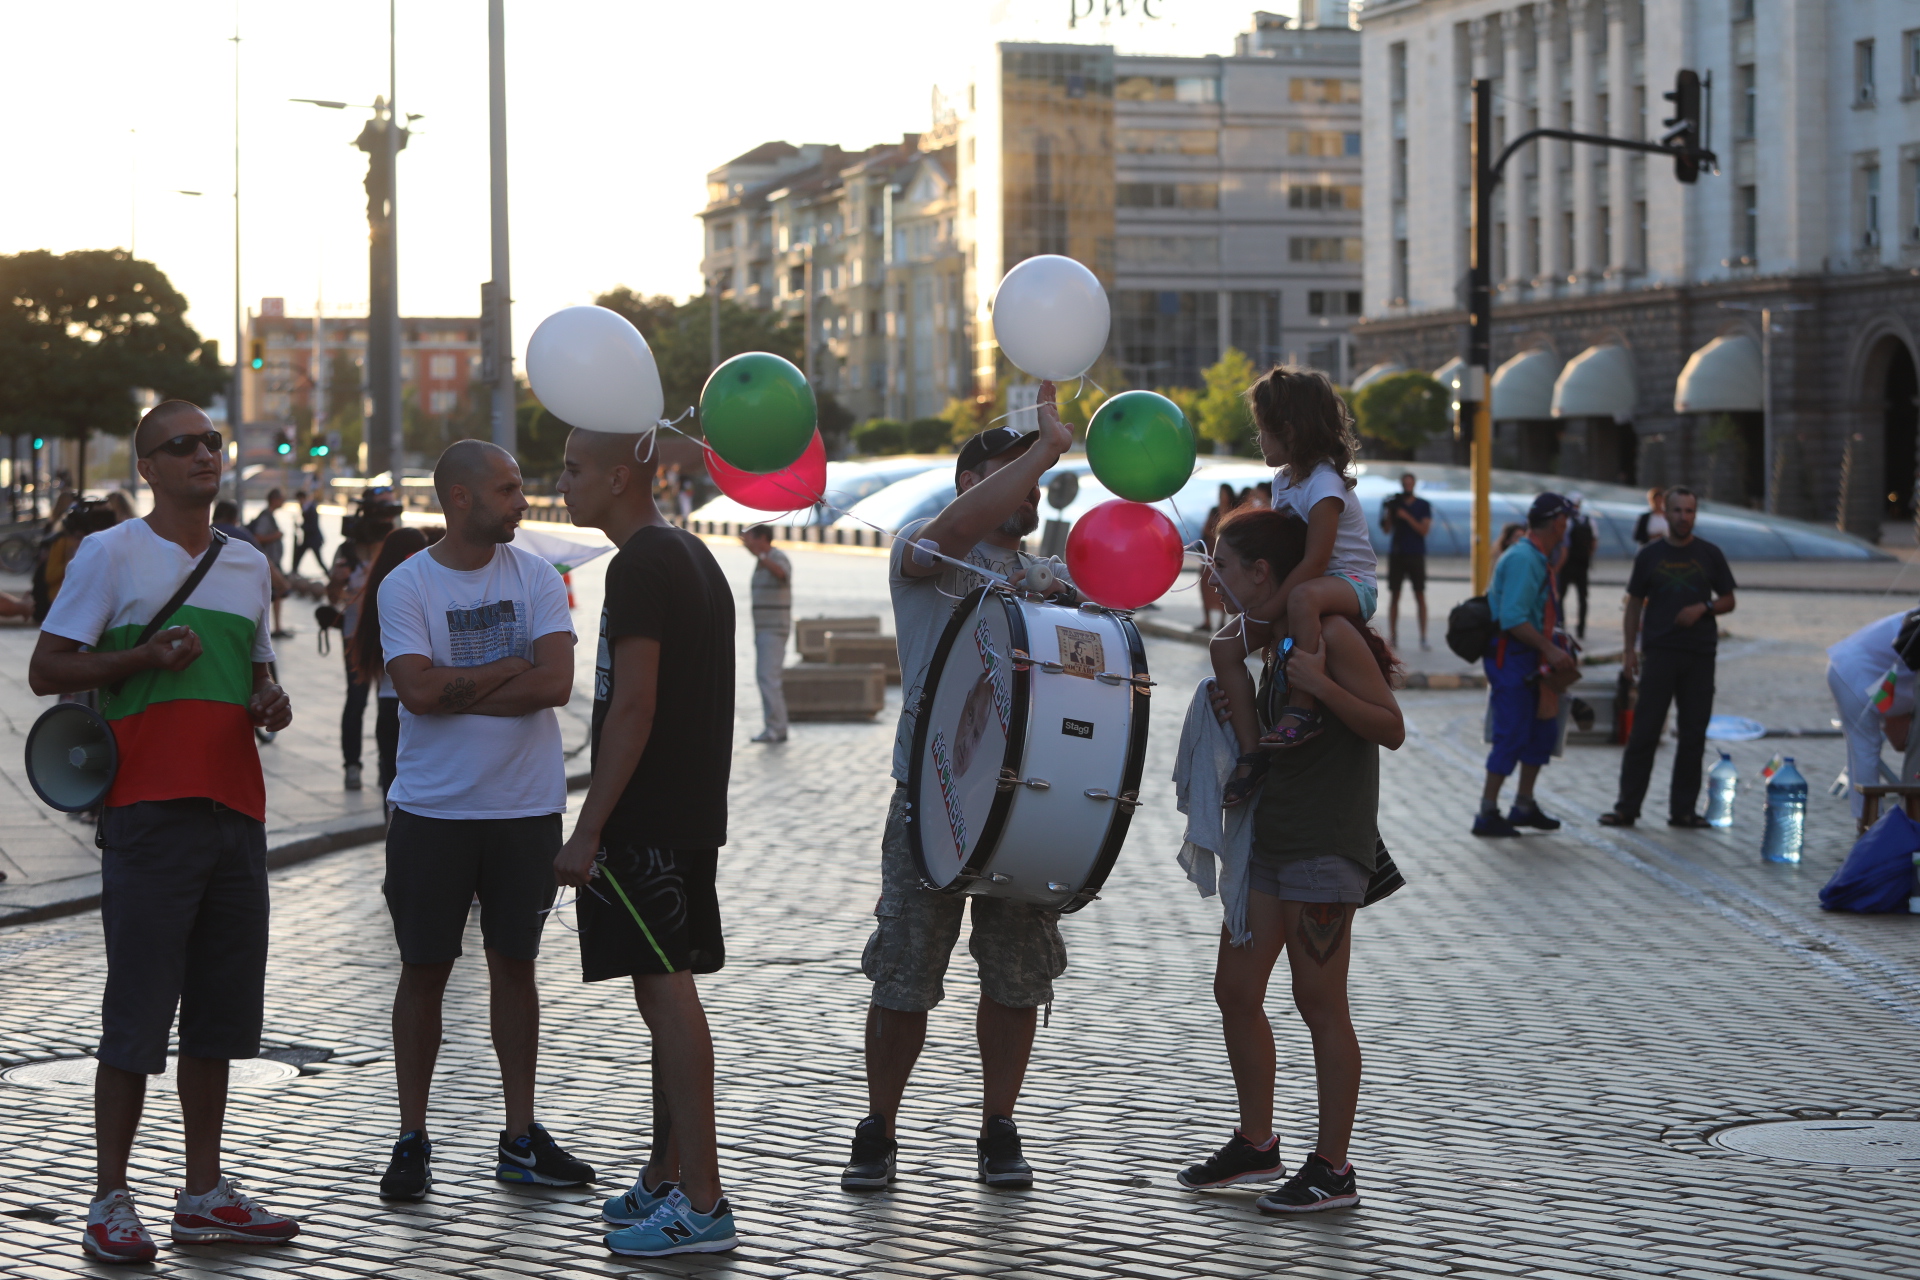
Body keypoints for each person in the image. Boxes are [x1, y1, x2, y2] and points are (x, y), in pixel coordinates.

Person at [29, 400, 297, 1263]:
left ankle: (202, 1193)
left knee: (221, 1019)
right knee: (137, 1018)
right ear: (148, 467)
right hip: (146, 811)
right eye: (180, 446)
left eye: (212, 442)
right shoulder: (110, 554)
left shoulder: (249, 564)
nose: (204, 455)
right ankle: (109, 1199)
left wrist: (271, 702)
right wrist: (143, 657)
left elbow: (259, 675)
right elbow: (47, 667)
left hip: (236, 811)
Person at [842, 387, 1075, 1193]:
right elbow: (952, 532)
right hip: (932, 798)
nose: (1034, 488)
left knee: (1017, 977)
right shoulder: (927, 545)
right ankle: (879, 1127)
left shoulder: (1049, 575)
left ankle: (999, 1127)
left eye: (1038, 476)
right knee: (905, 970)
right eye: (1014, 473)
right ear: (973, 479)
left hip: (1028, 804)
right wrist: (1042, 448)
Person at [374, 440, 590, 1201]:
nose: (521, 500)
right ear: (459, 499)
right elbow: (416, 693)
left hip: (524, 808)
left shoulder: (537, 576)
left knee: (516, 969)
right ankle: (411, 1137)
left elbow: (556, 684)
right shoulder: (406, 586)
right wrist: (508, 670)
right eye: (506, 489)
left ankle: (521, 1136)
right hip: (432, 811)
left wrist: (460, 682)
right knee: (424, 972)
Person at [1177, 508, 1401, 1213]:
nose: (1215, 578)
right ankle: (1257, 1141)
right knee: (1236, 990)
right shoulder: (1274, 642)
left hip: (1326, 845)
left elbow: (1389, 727)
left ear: (1263, 572)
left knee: (1319, 1003)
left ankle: (1334, 1169)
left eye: (1225, 564)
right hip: (1271, 840)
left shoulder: (1331, 633)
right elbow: (1282, 735)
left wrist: (1325, 685)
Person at [553, 427, 740, 1258]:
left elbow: (633, 707)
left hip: (648, 818)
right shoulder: (692, 555)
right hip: (685, 813)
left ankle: (704, 1201)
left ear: (620, 475)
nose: (561, 484)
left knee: (668, 1000)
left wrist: (587, 828)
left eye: (573, 468)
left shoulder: (639, 565)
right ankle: (668, 1174)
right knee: (660, 998)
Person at [1212, 367, 1376, 806]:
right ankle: (1251, 749)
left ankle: (1302, 708)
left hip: (1349, 582)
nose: (1259, 440)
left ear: (1288, 430)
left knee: (1302, 598)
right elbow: (1288, 552)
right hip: (1309, 584)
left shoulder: (1324, 485)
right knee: (1223, 647)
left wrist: (1270, 609)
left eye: (1263, 431)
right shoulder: (1284, 480)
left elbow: (1316, 561)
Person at [1599, 488, 1737, 827]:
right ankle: (1627, 807)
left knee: (1693, 734)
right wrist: (1629, 649)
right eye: (1677, 511)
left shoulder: (1710, 554)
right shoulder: (1649, 555)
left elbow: (1729, 599)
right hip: (1660, 653)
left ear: (1695, 514)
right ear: (1665, 513)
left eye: (1689, 511)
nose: (1683, 517)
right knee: (1644, 732)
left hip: (1700, 655)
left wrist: (1702, 608)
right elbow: (1633, 603)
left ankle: (1683, 810)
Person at [1474, 493, 1578, 837]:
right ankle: (1487, 812)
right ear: (1558, 522)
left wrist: (1553, 642)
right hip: (1514, 658)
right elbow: (1513, 618)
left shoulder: (1536, 556)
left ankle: (1524, 804)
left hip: (1529, 657)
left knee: (1542, 730)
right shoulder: (1524, 559)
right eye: (1567, 519)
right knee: (1512, 733)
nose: (1569, 525)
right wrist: (1549, 648)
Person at [352, 527, 430, 797]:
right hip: (418, 706)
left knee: (394, 793)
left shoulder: (379, 590)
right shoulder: (417, 589)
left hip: (388, 704)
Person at [327, 494, 397, 791]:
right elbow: (332, 597)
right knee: (356, 701)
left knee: (389, 702)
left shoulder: (392, 548)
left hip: (389, 637)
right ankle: (352, 765)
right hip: (354, 637)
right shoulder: (347, 550)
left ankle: (388, 765)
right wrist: (336, 581)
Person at [1826, 612, 1920, 819]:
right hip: (1854, 671)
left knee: (1865, 751)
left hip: (1855, 665)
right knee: (1864, 751)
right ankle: (1870, 829)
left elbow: (1901, 741)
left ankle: (1875, 827)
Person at [740, 524, 792, 744]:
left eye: (749, 538)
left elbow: (782, 573)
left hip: (774, 629)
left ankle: (776, 728)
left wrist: (762, 556)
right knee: (766, 678)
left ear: (762, 538)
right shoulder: (761, 562)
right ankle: (774, 726)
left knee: (768, 678)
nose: (746, 542)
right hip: (764, 629)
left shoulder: (776, 557)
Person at [1378, 471, 1432, 651]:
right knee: (1395, 595)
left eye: (1410, 484)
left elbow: (1424, 530)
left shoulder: (1423, 505)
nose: (1407, 487)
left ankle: (1423, 637)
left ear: (1414, 484)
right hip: (1397, 553)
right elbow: (1386, 529)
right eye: (1404, 484)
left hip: (1416, 553)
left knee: (1420, 594)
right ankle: (1393, 636)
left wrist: (1406, 516)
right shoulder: (1395, 505)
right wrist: (1388, 512)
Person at [247, 489, 290, 638]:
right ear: (274, 500)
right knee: (277, 591)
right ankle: (272, 628)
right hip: (269, 562)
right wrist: (276, 536)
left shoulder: (269, 516)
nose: (283, 501)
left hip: (272, 561)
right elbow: (257, 537)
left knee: (276, 593)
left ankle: (276, 626)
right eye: (281, 498)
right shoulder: (266, 517)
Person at [1200, 483, 1237, 632]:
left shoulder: (1233, 511)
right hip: (1210, 551)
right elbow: (1206, 528)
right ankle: (1207, 620)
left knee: (1224, 584)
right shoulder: (1214, 510)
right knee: (1205, 585)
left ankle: (1222, 620)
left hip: (1225, 552)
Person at [1558, 492, 1595, 641]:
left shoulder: (1587, 520)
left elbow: (1593, 542)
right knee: (1562, 597)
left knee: (1581, 598)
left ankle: (1580, 629)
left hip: (1579, 564)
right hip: (1570, 564)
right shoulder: (1570, 521)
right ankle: (1562, 626)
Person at [291, 488, 326, 576]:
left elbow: (312, 525)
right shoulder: (307, 508)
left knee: (319, 560)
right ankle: (294, 572)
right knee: (298, 556)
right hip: (309, 539)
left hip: (313, 539)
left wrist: (300, 526)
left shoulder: (310, 509)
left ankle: (329, 574)